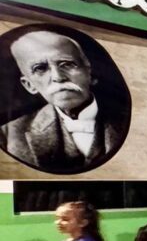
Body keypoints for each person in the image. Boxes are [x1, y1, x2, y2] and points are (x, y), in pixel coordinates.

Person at [0, 29, 129, 173]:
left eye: (66, 64)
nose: (58, 77)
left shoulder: (129, 119)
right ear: (29, 85)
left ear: (89, 72)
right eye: (40, 68)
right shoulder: (7, 135)